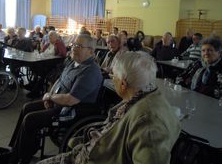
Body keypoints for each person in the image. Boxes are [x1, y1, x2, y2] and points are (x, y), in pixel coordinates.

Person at [38, 51, 180, 164]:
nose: (112, 78)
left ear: (123, 84)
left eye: (114, 76)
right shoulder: (143, 97)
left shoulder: (147, 122)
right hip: (89, 151)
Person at [0, 34, 102, 164]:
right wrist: (49, 96)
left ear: (91, 51)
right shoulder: (74, 62)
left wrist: (51, 98)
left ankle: (21, 158)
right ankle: (16, 150)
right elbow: (60, 80)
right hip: (58, 102)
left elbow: (71, 100)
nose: (74, 48)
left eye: (79, 46)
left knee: (30, 119)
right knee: (26, 108)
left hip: (70, 110)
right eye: (74, 45)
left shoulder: (90, 71)